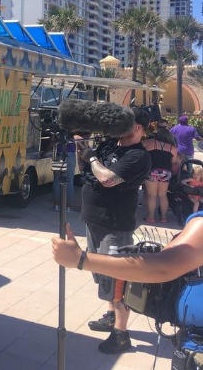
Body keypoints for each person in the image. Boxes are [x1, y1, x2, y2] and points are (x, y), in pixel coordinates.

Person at [52, 214, 203, 365]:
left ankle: (120, 330)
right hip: (191, 341)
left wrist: (80, 260)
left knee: (116, 288)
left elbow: (163, 266)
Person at [76, 107, 151, 354]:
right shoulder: (110, 144)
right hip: (94, 221)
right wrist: (81, 147)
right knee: (101, 274)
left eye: (125, 123)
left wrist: (92, 158)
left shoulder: (138, 156)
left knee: (118, 279)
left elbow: (108, 179)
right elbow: (87, 168)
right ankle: (111, 316)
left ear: (138, 128)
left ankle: (121, 334)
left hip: (115, 225)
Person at [142, 127, 177, 223]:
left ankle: (151, 217)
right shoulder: (172, 148)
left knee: (152, 195)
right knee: (163, 195)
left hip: (152, 170)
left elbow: (139, 147)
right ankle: (164, 218)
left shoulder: (150, 143)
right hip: (166, 172)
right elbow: (174, 162)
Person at [52, 141, 76, 212]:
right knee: (70, 181)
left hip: (59, 155)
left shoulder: (58, 133)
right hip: (71, 155)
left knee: (57, 180)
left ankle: (56, 205)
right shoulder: (73, 133)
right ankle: (68, 207)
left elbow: (52, 142)